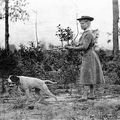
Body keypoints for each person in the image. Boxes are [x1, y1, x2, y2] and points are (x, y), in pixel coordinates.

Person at [65, 16, 105, 101]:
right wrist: (72, 46)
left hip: (89, 56)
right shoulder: (85, 33)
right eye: (80, 24)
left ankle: (84, 95)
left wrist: (71, 48)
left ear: (88, 23)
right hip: (88, 55)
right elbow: (80, 45)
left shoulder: (88, 34)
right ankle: (92, 94)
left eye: (82, 23)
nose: (81, 25)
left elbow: (84, 47)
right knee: (91, 74)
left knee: (87, 74)